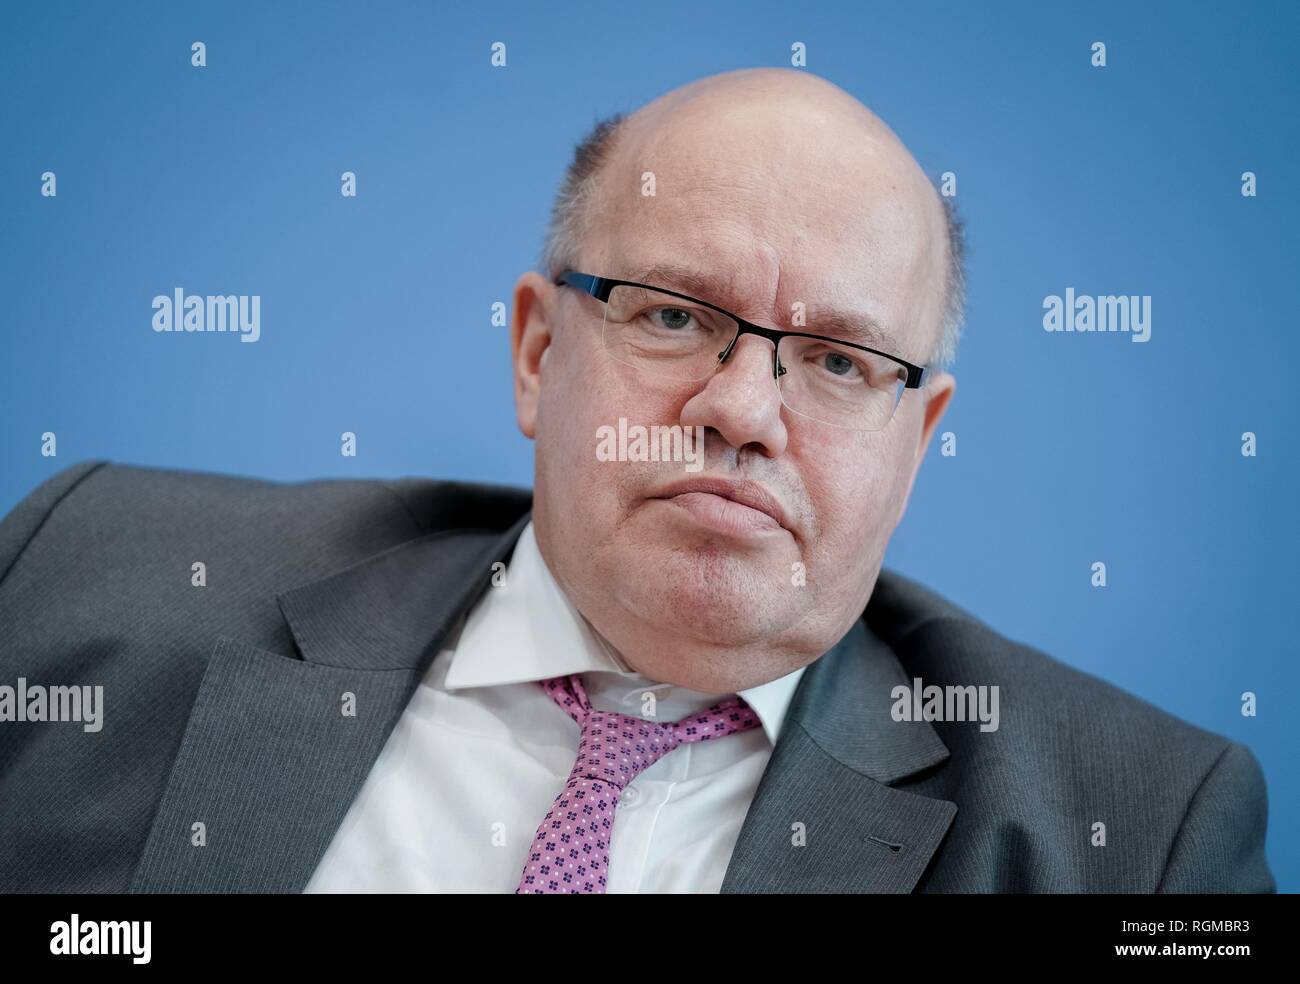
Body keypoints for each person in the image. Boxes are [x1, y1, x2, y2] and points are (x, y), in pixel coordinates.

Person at [0, 68, 1273, 893]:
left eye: (837, 360)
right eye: (671, 317)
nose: (739, 410)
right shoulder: (85, 576)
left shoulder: (1141, 840)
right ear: (538, 350)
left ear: (918, 438)